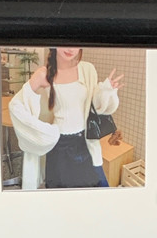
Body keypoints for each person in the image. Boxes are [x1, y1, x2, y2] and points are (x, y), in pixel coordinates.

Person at [8, 47, 124, 189]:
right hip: (60, 147)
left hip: (86, 144)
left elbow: (93, 105)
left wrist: (106, 91)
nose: (70, 48)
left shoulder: (87, 69)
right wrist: (46, 132)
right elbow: (16, 106)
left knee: (97, 192)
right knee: (62, 196)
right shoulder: (43, 74)